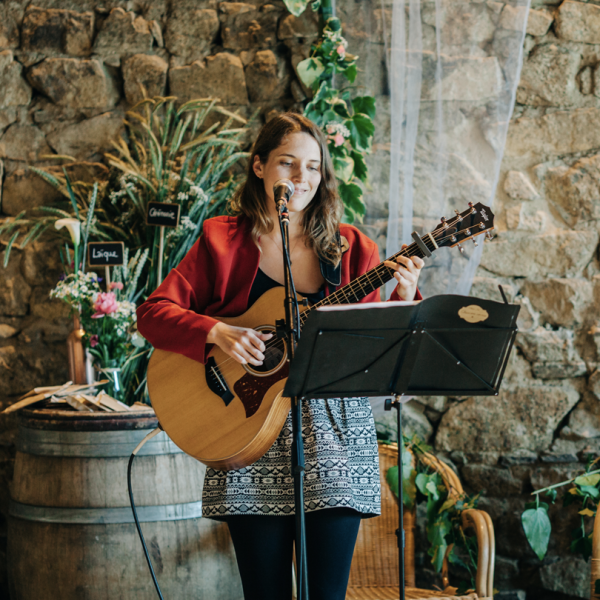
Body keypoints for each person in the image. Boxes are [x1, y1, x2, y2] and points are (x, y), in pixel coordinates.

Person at [137, 112, 423, 600]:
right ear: (258, 167)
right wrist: (219, 332)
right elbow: (153, 313)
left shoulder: (353, 248)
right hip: (245, 426)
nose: (301, 178)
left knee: (326, 595)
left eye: (312, 167)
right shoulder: (219, 240)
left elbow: (379, 350)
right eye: (287, 164)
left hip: (333, 436)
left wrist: (405, 297)